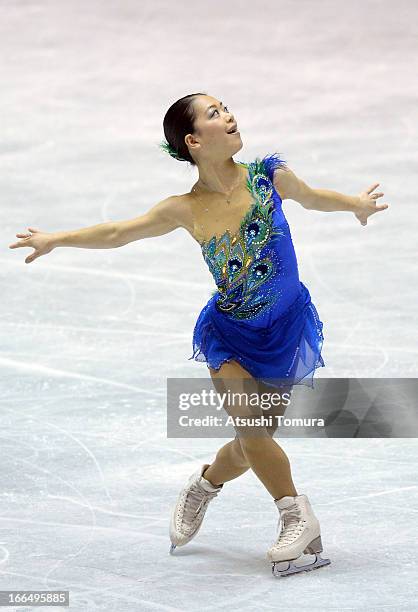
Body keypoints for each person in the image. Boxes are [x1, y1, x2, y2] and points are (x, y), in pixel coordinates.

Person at [9, 92, 389, 577]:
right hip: (228, 334)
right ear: (193, 141)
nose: (228, 115)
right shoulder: (184, 208)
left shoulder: (268, 177)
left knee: (252, 444)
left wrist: (355, 204)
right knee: (252, 430)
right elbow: (118, 232)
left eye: (226, 107)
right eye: (214, 114)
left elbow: (313, 197)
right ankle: (296, 514)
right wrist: (56, 239)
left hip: (285, 328)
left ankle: (204, 484)